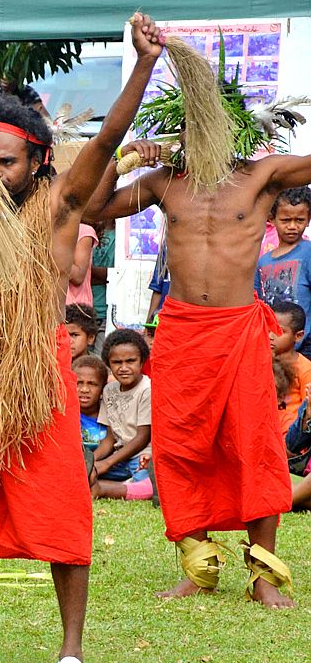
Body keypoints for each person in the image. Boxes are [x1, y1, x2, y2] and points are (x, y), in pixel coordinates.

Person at [0, 14, 167, 663]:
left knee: (61, 508)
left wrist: (139, 64)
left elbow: (107, 139)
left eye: (7, 161)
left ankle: (70, 648)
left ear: (37, 161)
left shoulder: (60, 204)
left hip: (37, 375)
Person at [91, 91, 311, 610]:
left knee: (253, 447)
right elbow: (96, 207)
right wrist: (122, 158)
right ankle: (199, 568)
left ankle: (262, 576)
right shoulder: (166, 182)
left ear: (234, 131)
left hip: (239, 330)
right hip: (182, 331)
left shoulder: (261, 176)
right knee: (179, 448)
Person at [90, 330, 153, 499]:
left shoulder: (147, 389)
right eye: (117, 362)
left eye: (130, 361)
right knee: (87, 473)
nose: (124, 368)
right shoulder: (109, 390)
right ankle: (110, 483)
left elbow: (143, 437)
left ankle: (104, 489)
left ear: (142, 362)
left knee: (150, 484)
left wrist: (107, 463)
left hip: (143, 456)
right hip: (119, 457)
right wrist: (93, 462)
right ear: (109, 365)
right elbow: (110, 439)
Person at [254, 189, 311, 351]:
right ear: (271, 219)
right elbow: (257, 301)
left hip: (305, 344)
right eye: (286, 220)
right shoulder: (263, 261)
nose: (292, 226)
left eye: (299, 220)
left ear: (308, 220)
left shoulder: (308, 253)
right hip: (272, 344)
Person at [271, 301, 311, 434]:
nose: (270, 336)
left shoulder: (305, 368)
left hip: (290, 437)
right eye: (268, 328)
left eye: (279, 331)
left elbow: (308, 411)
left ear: (298, 336)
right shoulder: (261, 361)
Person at [72, 354, 108, 465]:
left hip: (102, 467)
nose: (84, 389)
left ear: (103, 388)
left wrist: (89, 463)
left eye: (92, 384)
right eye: (79, 383)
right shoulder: (65, 416)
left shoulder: (110, 414)